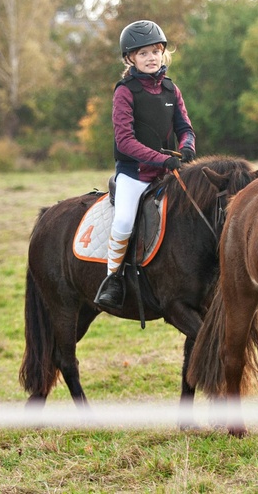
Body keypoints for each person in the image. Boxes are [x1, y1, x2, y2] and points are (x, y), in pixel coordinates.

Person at [93, 20, 197, 310]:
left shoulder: (171, 89)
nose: (152, 58)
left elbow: (185, 128)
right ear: (130, 59)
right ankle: (112, 279)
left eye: (156, 51)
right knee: (124, 220)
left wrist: (187, 146)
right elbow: (125, 141)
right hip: (134, 175)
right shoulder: (124, 91)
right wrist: (162, 159)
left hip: (168, 173)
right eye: (143, 53)